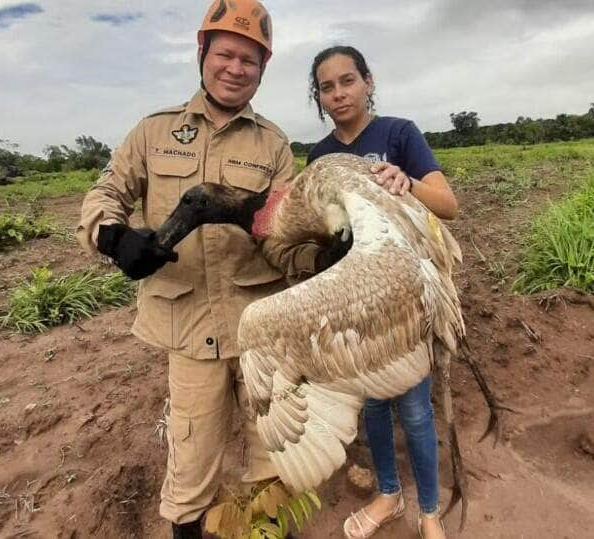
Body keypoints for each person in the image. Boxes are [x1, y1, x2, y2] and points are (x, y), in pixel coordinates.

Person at [76, 2, 329, 538]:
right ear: (202, 53)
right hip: (189, 330)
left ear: (263, 68)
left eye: (250, 60)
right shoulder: (152, 132)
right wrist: (113, 236)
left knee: (274, 455)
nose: (236, 68)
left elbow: (283, 240)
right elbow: (105, 193)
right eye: (227, 54)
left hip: (262, 328)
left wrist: (321, 256)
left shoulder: (275, 145)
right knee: (190, 463)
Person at [307, 46, 459, 539]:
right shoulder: (318, 157)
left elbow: (448, 205)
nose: (338, 94)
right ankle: (389, 496)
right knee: (372, 404)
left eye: (347, 81)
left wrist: (407, 182)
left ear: (367, 82)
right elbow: (324, 232)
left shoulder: (399, 133)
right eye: (327, 87)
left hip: (404, 301)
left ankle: (430, 511)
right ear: (320, 97)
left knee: (414, 408)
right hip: (355, 303)